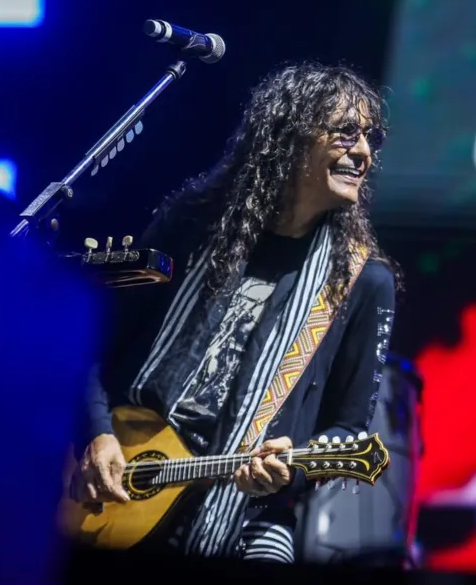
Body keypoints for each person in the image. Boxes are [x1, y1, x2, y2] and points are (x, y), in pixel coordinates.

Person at [70, 62, 399, 564]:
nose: (364, 152)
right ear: (290, 135)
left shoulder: (363, 282)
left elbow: (349, 429)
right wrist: (95, 433)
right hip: (114, 486)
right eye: (346, 133)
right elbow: (92, 338)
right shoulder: (190, 225)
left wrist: (291, 468)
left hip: (248, 518)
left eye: (371, 138)